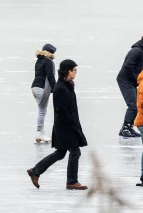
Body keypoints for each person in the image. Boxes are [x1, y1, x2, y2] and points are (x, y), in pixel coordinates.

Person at [26, 59, 88, 190]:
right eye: (74, 70)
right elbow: (61, 110)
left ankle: (36, 171)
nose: (76, 73)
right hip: (65, 127)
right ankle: (71, 181)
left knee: (61, 153)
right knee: (75, 152)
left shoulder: (67, 85)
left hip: (67, 125)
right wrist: (72, 124)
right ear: (68, 71)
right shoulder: (60, 88)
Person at [117, 34, 143, 138]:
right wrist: (135, 79)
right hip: (125, 80)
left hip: (131, 81)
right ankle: (125, 128)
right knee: (133, 105)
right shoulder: (137, 51)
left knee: (137, 105)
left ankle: (129, 127)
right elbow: (128, 66)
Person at [31, 44, 57, 143]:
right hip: (41, 88)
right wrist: (56, 89)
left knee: (42, 110)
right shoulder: (49, 62)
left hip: (35, 87)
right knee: (42, 111)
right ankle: (39, 133)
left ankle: (39, 134)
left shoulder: (39, 61)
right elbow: (50, 76)